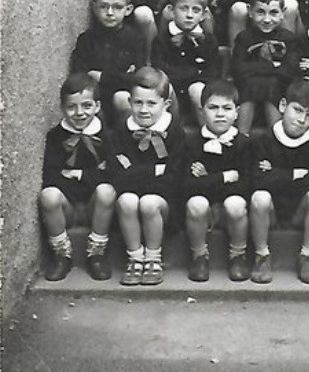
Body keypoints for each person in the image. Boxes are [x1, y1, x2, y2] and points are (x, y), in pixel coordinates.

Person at [108, 67, 186, 286]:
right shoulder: (122, 131)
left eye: (151, 103)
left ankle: (153, 258)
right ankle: (135, 258)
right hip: (129, 204)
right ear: (130, 101)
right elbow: (117, 176)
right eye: (138, 103)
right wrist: (155, 170)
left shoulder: (175, 133)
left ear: (166, 104)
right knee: (127, 199)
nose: (144, 110)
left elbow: (173, 180)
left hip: (164, 206)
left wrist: (136, 172)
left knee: (149, 202)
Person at [249, 77, 309, 284]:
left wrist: (276, 173)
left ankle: (307, 255)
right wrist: (296, 174)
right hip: (271, 212)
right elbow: (258, 180)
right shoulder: (265, 139)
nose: (301, 119)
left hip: (299, 212)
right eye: (298, 110)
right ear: (283, 105)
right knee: (260, 196)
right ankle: (262, 255)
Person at [39, 74, 116, 282]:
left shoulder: (107, 136)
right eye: (72, 107)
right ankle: (61, 256)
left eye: (87, 105)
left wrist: (76, 175)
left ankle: (96, 254)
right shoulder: (55, 137)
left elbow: (112, 174)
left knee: (107, 191)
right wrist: (94, 175)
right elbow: (52, 176)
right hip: (69, 208)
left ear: (97, 106)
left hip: (96, 208)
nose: (80, 113)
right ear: (63, 108)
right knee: (48, 195)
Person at [183, 80, 251, 283]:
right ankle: (199, 255)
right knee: (196, 203)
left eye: (227, 108)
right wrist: (226, 176)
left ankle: (238, 254)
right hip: (201, 210)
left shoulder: (244, 144)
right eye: (213, 108)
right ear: (202, 111)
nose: (220, 114)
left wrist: (206, 179)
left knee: (236, 203)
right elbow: (186, 186)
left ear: (237, 112)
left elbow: (247, 186)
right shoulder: (191, 143)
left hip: (231, 209)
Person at [70, 0, 145, 124]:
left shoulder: (134, 38)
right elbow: (80, 76)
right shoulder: (86, 39)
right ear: (94, 8)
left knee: (122, 99)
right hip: (97, 99)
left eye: (117, 7)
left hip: (123, 98)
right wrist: (121, 77)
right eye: (104, 7)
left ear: (128, 10)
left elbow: (137, 79)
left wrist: (103, 77)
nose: (110, 13)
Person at [231, 0, 300, 136]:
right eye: (260, 12)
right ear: (249, 12)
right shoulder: (244, 38)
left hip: (278, 90)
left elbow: (291, 70)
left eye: (273, 13)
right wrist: (274, 67)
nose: (267, 19)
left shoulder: (288, 39)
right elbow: (238, 69)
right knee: (251, 84)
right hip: (249, 91)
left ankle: (276, 137)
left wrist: (256, 68)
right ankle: (242, 137)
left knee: (271, 84)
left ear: (283, 13)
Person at [151, 0, 221, 125]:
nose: (189, 15)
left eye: (196, 10)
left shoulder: (208, 40)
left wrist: (189, 78)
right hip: (174, 96)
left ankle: (208, 136)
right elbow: (162, 71)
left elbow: (213, 73)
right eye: (183, 8)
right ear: (171, 10)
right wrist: (194, 73)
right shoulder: (162, 40)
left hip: (198, 97)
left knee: (197, 89)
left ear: (203, 15)